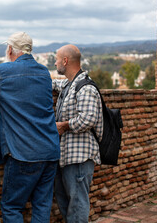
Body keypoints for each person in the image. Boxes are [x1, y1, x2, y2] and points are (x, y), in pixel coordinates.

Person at [0, 32, 60, 223]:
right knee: (42, 205)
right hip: (50, 149)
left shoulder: (4, 72)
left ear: (10, 50)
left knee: (12, 206)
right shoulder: (44, 73)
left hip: (24, 152)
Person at [52, 44, 103, 223]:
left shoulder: (85, 87)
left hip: (79, 158)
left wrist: (64, 126)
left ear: (65, 61)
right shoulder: (69, 84)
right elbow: (54, 83)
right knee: (65, 201)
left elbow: (89, 119)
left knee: (78, 203)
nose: (55, 62)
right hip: (67, 156)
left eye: (57, 59)